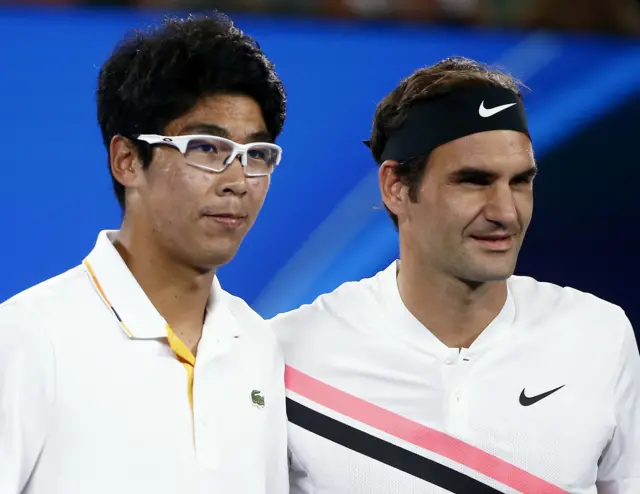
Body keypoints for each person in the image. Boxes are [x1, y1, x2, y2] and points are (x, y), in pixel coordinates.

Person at [272, 57, 640, 493]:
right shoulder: (290, 352)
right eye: (473, 181)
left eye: (520, 182)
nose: (506, 212)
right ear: (395, 187)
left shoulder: (599, 335)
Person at [0, 13, 288, 494]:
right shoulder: (27, 339)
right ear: (127, 160)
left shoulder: (258, 346)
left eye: (256, 154)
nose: (238, 181)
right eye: (207, 148)